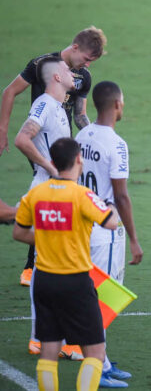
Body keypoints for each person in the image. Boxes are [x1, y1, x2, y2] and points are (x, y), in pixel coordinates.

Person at [0, 26, 106, 286]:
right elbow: (10, 93)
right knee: (52, 204)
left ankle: (43, 256)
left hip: (60, 141)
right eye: (86, 59)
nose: (84, 68)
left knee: (52, 209)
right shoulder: (42, 67)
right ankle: (35, 259)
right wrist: (3, 130)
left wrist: (96, 136)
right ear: (75, 47)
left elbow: (79, 114)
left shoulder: (81, 79)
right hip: (45, 144)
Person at [13, 137, 120, 391]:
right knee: (95, 352)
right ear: (79, 160)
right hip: (75, 282)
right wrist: (112, 206)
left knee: (49, 352)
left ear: (52, 162)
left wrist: (48, 236)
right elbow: (111, 222)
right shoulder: (82, 194)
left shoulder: (36, 194)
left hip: (44, 281)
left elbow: (18, 233)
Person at [14, 56, 85, 359]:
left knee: (53, 265)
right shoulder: (43, 104)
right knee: (49, 266)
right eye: (68, 70)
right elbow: (21, 138)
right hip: (48, 190)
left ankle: (51, 338)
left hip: (58, 190)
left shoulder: (57, 107)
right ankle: (42, 338)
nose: (74, 74)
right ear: (56, 77)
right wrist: (50, 167)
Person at [75, 81, 144, 387]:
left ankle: (101, 359)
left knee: (95, 297)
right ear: (117, 105)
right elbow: (122, 196)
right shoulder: (116, 144)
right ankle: (97, 369)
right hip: (105, 230)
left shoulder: (82, 134)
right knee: (100, 301)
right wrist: (133, 238)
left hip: (81, 226)